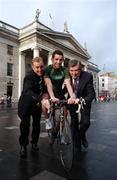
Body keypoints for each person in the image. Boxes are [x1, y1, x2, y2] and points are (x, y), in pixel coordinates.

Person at [18, 57, 47, 158]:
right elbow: (27, 91)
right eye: (37, 67)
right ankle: (23, 146)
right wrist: (41, 99)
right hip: (26, 104)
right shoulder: (29, 76)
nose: (39, 69)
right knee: (25, 125)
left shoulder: (44, 74)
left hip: (36, 105)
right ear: (32, 67)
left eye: (41, 67)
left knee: (36, 125)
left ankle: (34, 143)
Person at [42, 50, 75, 130]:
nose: (58, 62)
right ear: (52, 59)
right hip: (48, 91)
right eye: (56, 59)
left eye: (60, 60)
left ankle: (62, 133)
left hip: (59, 92)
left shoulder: (65, 70)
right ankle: (47, 120)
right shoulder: (47, 69)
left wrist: (73, 96)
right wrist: (52, 97)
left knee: (65, 113)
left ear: (63, 60)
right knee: (44, 101)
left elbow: (68, 84)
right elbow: (49, 84)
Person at [68, 59, 95, 151]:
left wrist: (81, 100)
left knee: (86, 122)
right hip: (71, 101)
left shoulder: (88, 76)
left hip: (83, 100)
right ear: (69, 70)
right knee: (74, 123)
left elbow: (91, 94)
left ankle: (82, 135)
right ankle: (77, 143)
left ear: (81, 69)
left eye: (76, 70)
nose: (74, 73)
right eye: (71, 70)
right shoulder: (67, 75)